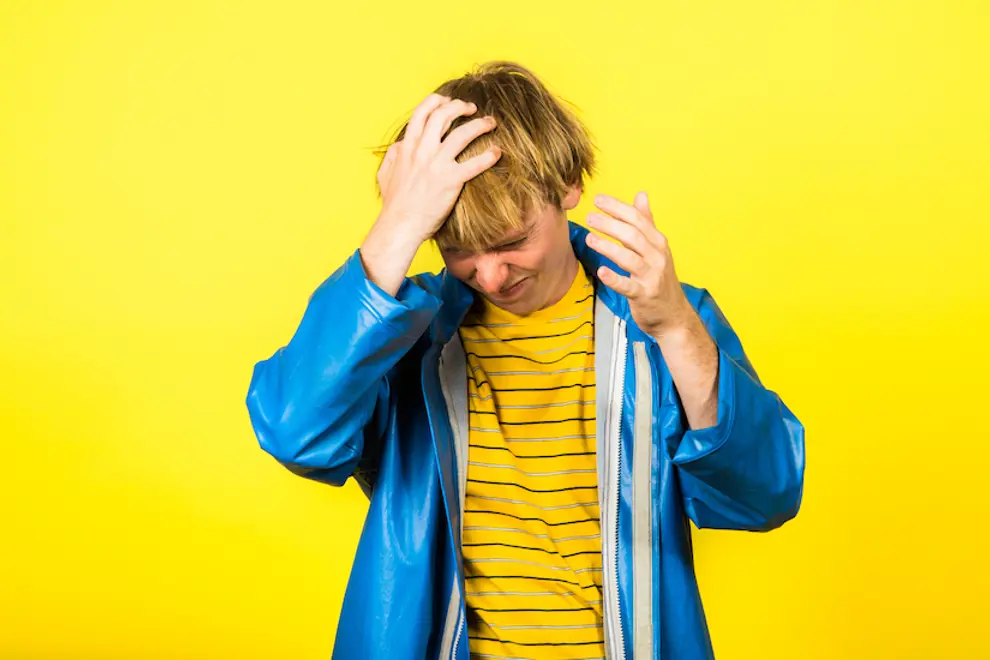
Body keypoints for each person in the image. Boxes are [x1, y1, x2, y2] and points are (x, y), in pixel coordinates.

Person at [246, 60, 805, 660]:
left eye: (513, 240)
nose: (490, 275)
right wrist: (396, 225)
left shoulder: (665, 322)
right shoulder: (403, 338)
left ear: (568, 186)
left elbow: (764, 496)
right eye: (457, 249)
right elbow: (295, 431)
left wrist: (675, 328)